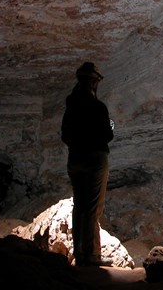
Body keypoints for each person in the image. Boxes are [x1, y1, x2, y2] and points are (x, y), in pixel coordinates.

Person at [61, 62, 114, 267]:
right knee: (92, 207)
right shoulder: (98, 107)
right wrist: (111, 121)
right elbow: (108, 133)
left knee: (79, 206)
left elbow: (65, 135)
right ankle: (91, 255)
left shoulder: (71, 106)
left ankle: (80, 253)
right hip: (95, 159)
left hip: (75, 159)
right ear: (94, 81)